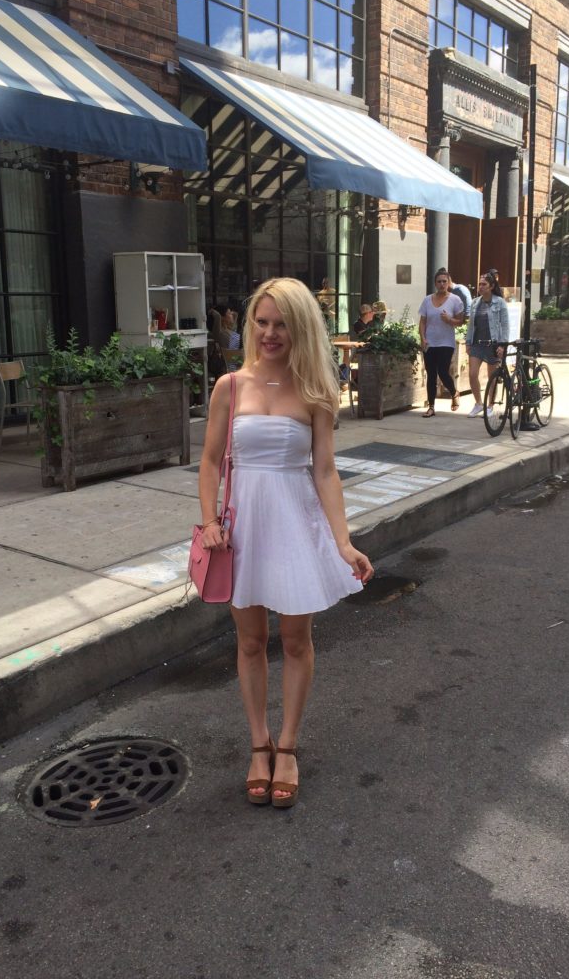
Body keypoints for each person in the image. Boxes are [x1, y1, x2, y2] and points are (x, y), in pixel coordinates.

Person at [198, 278, 374, 808]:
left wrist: (342, 543)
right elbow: (209, 463)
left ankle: (289, 745)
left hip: (296, 524)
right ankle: (259, 744)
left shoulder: (317, 388)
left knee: (296, 641)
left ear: (300, 329)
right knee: (250, 642)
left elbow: (324, 471)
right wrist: (209, 521)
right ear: (252, 323)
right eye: (263, 322)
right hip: (242, 529)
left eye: (282, 324)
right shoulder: (229, 386)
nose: (271, 333)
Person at [418, 268, 465, 417]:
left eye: (444, 281)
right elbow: (423, 321)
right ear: (435, 283)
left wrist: (449, 320)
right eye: (439, 281)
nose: (442, 284)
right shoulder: (427, 300)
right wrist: (423, 338)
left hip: (446, 342)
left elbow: (461, 321)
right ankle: (431, 406)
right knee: (431, 374)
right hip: (430, 342)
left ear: (448, 282)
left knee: (442, 371)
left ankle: (453, 392)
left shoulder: (455, 300)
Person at [465, 272, 509, 418]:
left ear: (491, 286)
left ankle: (490, 405)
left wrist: (503, 345)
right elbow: (471, 325)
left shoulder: (499, 302)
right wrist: (468, 342)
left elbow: (505, 325)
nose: (481, 287)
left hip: (493, 345)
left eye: (484, 284)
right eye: (480, 284)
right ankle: (478, 403)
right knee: (472, 374)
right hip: (477, 343)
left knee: (493, 377)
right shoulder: (475, 302)